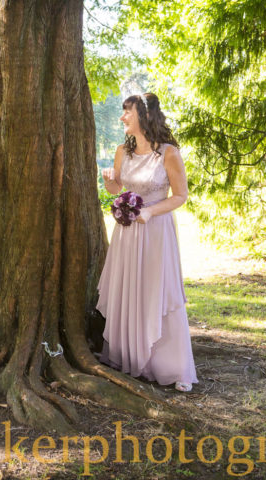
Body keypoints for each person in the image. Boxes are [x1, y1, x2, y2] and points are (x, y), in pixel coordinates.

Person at [97, 92, 198, 392]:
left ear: (143, 114)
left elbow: (180, 195)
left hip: (156, 232)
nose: (122, 117)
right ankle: (130, 357)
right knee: (131, 288)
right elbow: (119, 188)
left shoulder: (168, 153)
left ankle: (171, 365)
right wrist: (109, 183)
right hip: (128, 233)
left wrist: (150, 211)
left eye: (127, 111)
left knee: (158, 289)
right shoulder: (121, 151)